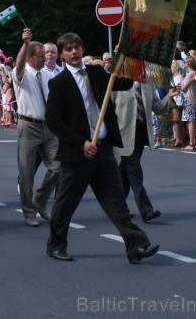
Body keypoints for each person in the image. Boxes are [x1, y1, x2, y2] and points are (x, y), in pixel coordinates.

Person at [45, 32, 159, 263]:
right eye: (68, 49)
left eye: (77, 47)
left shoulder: (96, 73)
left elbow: (125, 82)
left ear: (83, 49)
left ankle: (135, 245)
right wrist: (82, 142)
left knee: (116, 202)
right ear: (62, 56)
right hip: (77, 155)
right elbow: (54, 120)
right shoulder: (59, 83)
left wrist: (123, 56)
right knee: (65, 204)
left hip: (103, 151)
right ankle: (56, 244)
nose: (74, 52)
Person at [12, 29, 61, 227]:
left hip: (48, 127)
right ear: (30, 58)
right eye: (40, 57)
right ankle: (29, 212)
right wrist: (25, 44)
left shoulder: (47, 76)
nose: (44, 60)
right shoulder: (21, 75)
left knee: (59, 167)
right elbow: (18, 65)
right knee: (26, 174)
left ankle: (39, 201)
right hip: (28, 126)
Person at [113, 83, 177, 222]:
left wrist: (169, 97)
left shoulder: (147, 85)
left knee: (125, 172)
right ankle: (146, 210)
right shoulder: (116, 82)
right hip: (124, 134)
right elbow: (106, 108)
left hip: (141, 133)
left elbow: (158, 108)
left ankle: (116, 207)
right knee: (135, 172)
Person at [181, 57, 196, 151]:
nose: (184, 64)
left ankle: (192, 143)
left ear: (189, 63)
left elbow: (183, 88)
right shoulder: (191, 74)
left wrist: (180, 86)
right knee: (190, 121)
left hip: (189, 99)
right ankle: (192, 142)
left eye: (185, 62)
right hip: (189, 99)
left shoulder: (191, 73)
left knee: (190, 121)